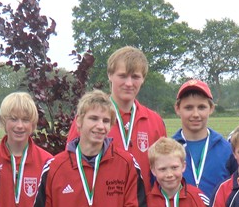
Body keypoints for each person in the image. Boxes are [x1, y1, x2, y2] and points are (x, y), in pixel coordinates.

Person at [67, 46, 166, 187]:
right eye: (123, 76)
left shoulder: (155, 121)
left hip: (141, 200)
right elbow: (70, 165)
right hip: (99, 199)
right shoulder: (89, 119)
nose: (129, 83)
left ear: (143, 79)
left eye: (135, 77)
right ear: (110, 75)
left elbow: (163, 170)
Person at [172, 79, 234, 198]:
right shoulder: (168, 150)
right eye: (188, 108)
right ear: (177, 109)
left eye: (201, 107)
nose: (195, 114)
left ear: (211, 108)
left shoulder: (226, 149)